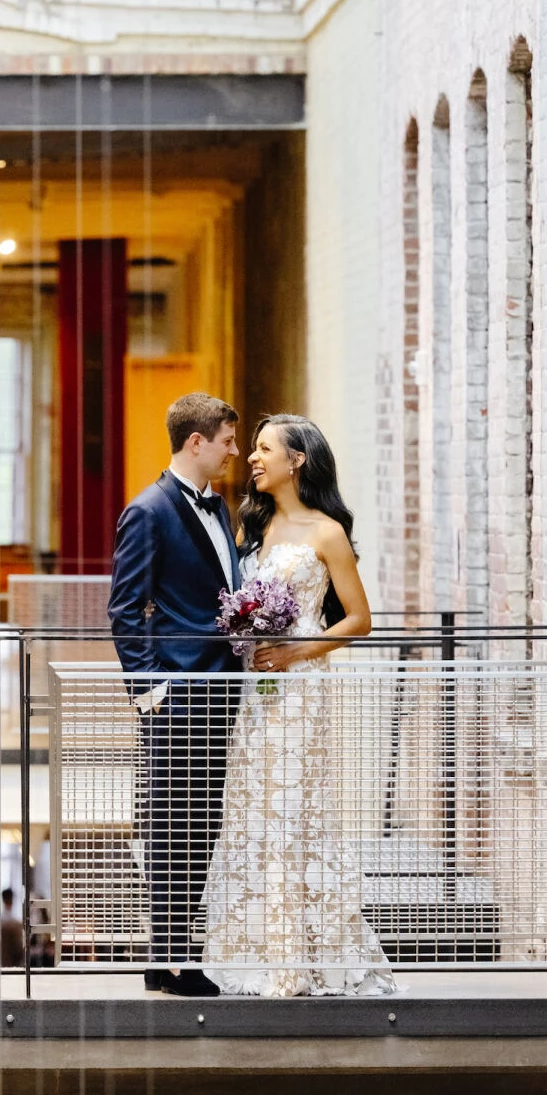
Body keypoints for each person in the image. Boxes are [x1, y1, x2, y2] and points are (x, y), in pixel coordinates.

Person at [201, 414, 397, 996]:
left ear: (297, 461)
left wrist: (294, 653)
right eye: (253, 448)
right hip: (255, 692)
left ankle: (301, 955)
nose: (253, 459)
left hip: (300, 690)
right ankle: (259, 951)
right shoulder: (252, 530)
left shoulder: (327, 532)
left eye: (264, 449)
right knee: (254, 807)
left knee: (294, 809)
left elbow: (359, 620)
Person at [108, 392, 243, 997]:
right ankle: (172, 960)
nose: (234, 451)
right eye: (227, 441)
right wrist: (149, 690)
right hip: (178, 692)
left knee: (203, 822)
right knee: (172, 825)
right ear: (197, 442)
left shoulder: (223, 508)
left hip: (221, 688)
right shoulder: (149, 510)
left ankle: (169, 956)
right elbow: (123, 610)